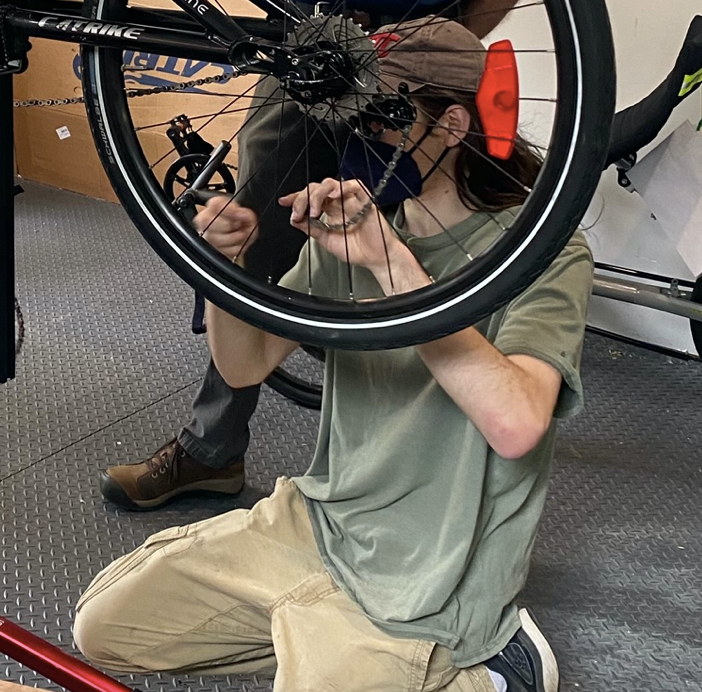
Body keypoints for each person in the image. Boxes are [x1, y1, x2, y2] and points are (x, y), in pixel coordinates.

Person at [73, 16, 593, 692]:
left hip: (436, 569)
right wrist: (229, 271)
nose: (362, 137)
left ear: (454, 126)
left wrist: (393, 267)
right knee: (106, 626)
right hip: (321, 521)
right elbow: (245, 365)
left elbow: (517, 424)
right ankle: (316, 634)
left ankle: (495, 669)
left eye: (384, 118)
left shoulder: (539, 251)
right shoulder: (355, 223)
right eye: (354, 117)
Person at [99, 0, 520, 511]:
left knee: (430, 215)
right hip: (310, 33)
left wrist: (441, 33)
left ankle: (443, 417)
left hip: (421, 48)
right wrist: (226, 270)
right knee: (257, 222)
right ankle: (212, 447)